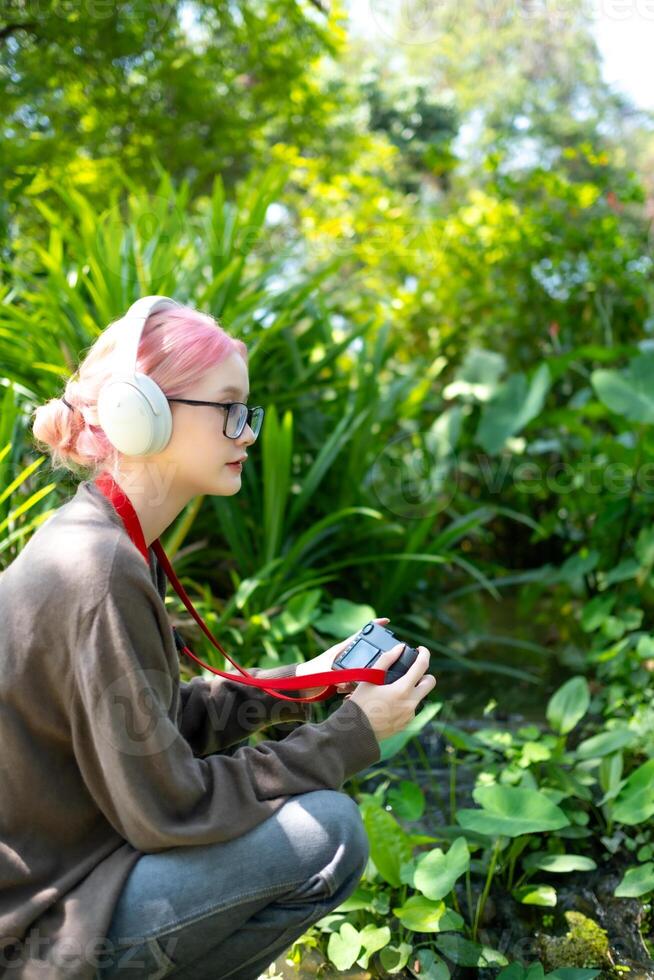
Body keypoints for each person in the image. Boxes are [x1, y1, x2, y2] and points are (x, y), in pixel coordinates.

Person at [0, 300, 436, 979]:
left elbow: (151, 727)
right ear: (141, 413)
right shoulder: (99, 570)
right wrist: (350, 736)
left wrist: (297, 685)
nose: (247, 432)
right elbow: (166, 808)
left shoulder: (105, 544)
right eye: (229, 407)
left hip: (71, 880)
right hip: (41, 933)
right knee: (328, 833)